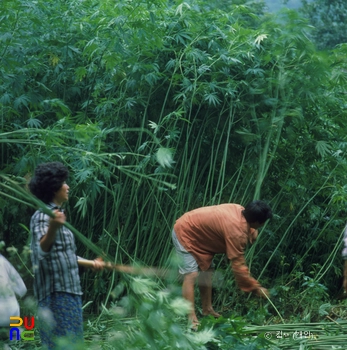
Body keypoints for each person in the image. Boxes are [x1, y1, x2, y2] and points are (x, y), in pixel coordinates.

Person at [29, 161, 103, 349]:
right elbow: (41, 251)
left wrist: (91, 263)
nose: (68, 186)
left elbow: (66, 255)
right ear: (54, 188)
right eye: (64, 182)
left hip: (69, 290)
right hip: (56, 293)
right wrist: (53, 228)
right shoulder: (43, 216)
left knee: (72, 343)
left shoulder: (57, 216)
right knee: (62, 344)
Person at [171, 200, 272, 328]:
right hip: (185, 232)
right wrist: (255, 288)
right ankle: (191, 319)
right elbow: (238, 267)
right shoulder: (236, 233)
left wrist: (252, 233)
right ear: (257, 222)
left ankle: (207, 309)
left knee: (207, 271)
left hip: (200, 235)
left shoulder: (239, 209)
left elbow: (246, 228)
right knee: (191, 275)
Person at [0, 253, 27, 347]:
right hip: (12, 312)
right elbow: (22, 289)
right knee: (15, 339)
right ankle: (16, 341)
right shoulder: (3, 260)